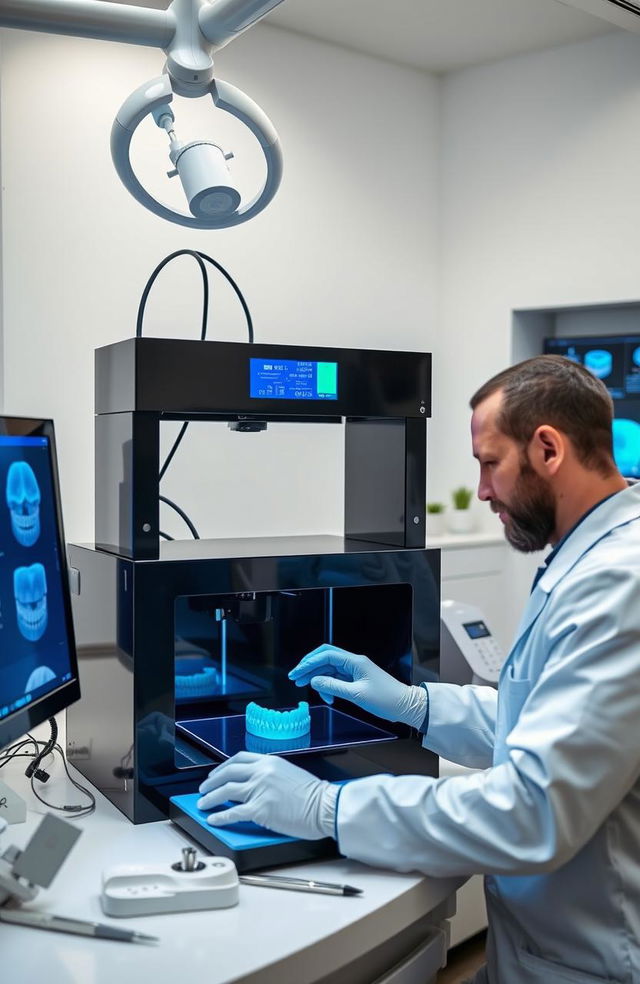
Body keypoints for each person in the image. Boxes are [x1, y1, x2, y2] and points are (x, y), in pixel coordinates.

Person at [197, 355, 640, 984]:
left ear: (547, 449)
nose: (483, 490)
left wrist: (330, 807)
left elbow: (533, 809)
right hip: (540, 950)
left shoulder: (619, 585)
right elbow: (546, 724)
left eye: (490, 463)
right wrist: (416, 705)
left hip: (592, 960)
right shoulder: (590, 560)